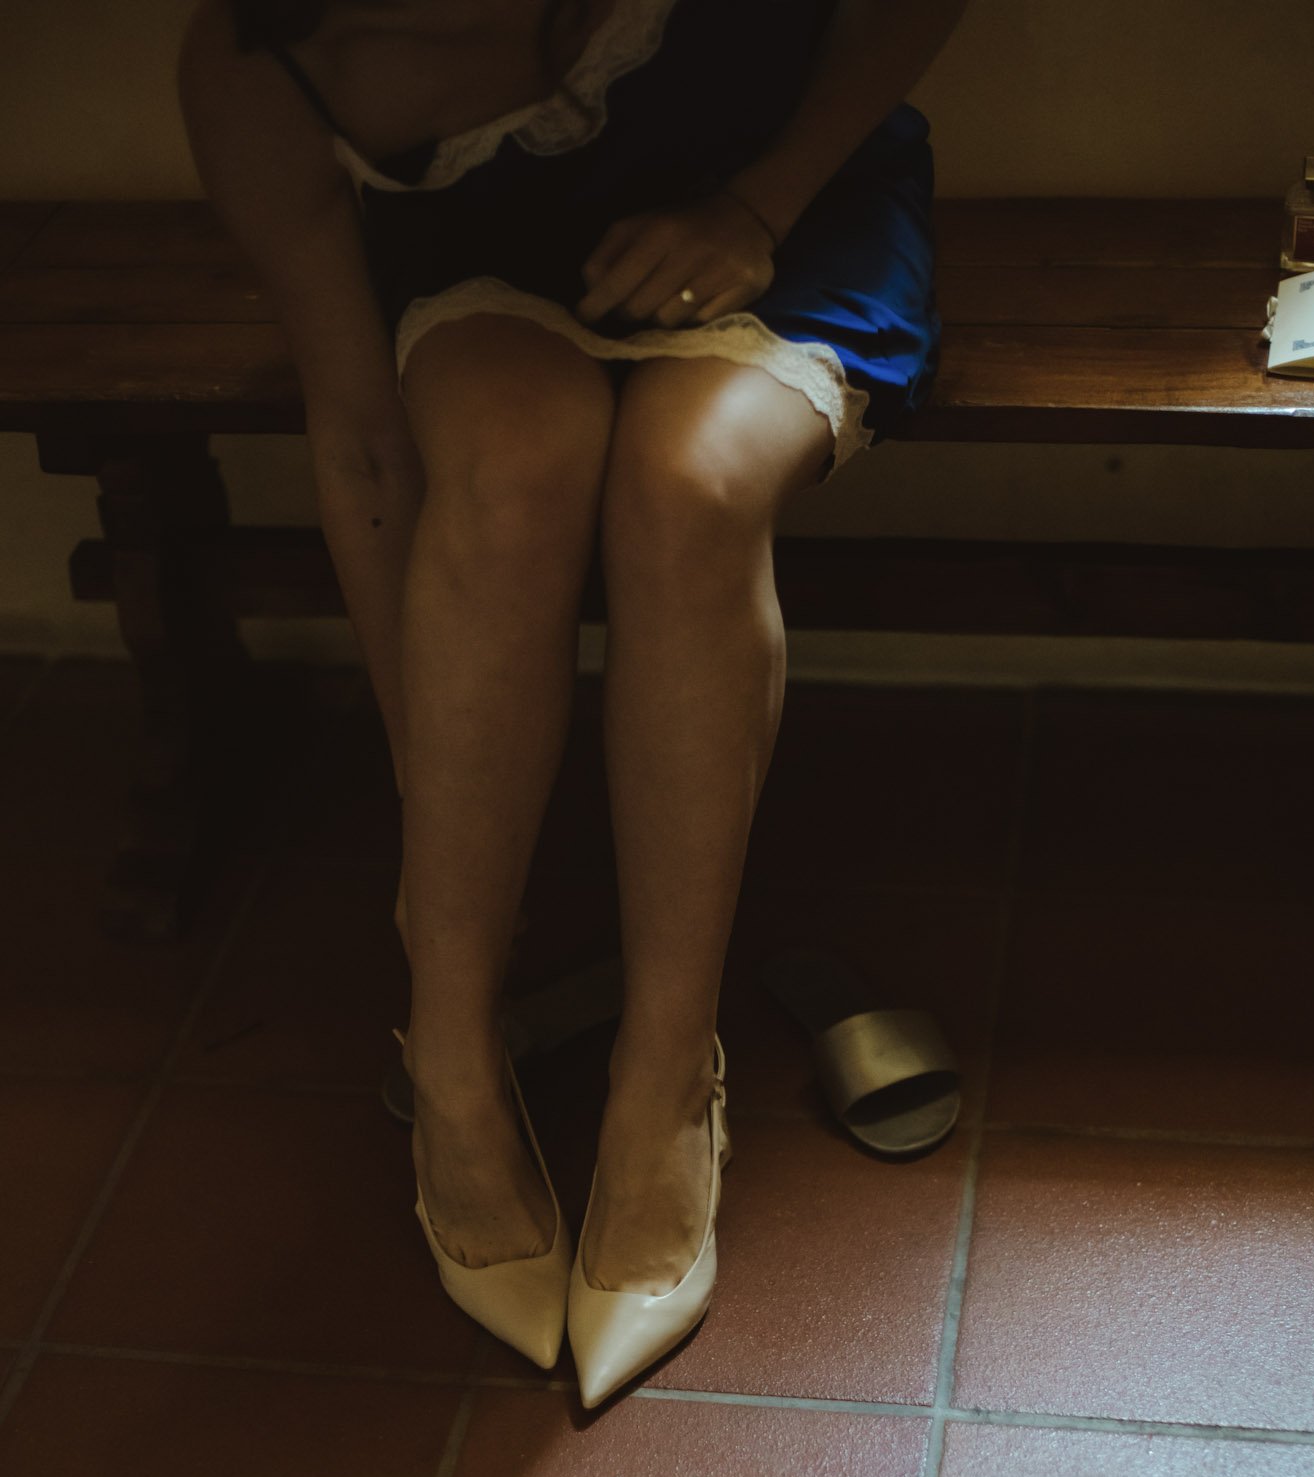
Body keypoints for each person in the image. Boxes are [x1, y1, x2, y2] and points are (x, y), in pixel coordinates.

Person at [177, 0, 963, 1405]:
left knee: (689, 484)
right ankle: (455, 1060)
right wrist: (433, 788)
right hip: (494, 261)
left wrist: (752, 203)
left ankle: (667, 1075)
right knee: (511, 458)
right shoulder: (265, 64)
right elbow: (362, 446)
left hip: (788, 206)